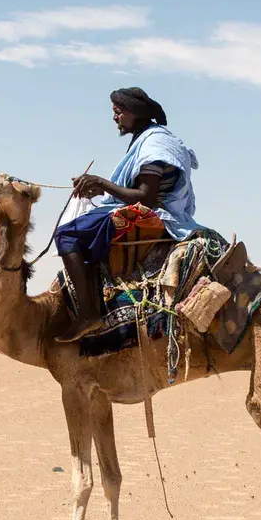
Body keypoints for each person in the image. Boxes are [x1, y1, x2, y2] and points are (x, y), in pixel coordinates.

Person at [55, 87, 201, 341]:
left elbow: (146, 196)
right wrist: (98, 189)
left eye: (119, 112)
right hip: (148, 207)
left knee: (66, 235)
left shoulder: (154, 144)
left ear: (135, 113)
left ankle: (89, 314)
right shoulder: (147, 139)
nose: (115, 118)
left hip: (156, 214)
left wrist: (102, 184)